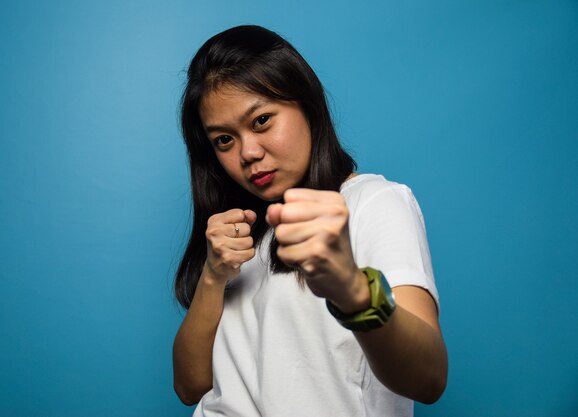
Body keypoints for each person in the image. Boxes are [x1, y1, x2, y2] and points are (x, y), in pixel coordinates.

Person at [172, 25, 447, 417]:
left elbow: (429, 377)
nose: (248, 152)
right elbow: (189, 386)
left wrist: (351, 288)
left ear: (307, 104)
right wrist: (213, 275)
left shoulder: (372, 202)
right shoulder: (239, 237)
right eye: (224, 140)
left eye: (262, 120)